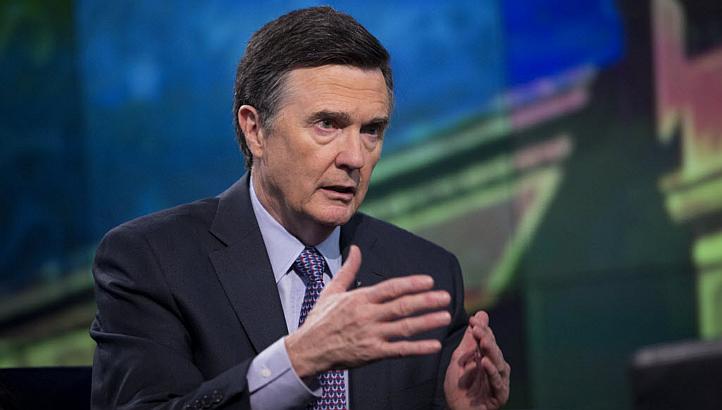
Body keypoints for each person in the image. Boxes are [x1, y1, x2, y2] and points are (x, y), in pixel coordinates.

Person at [90, 6, 510, 410]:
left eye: (371, 130)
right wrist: (297, 362)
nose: (355, 157)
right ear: (255, 130)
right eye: (327, 124)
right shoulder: (152, 260)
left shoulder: (426, 273)